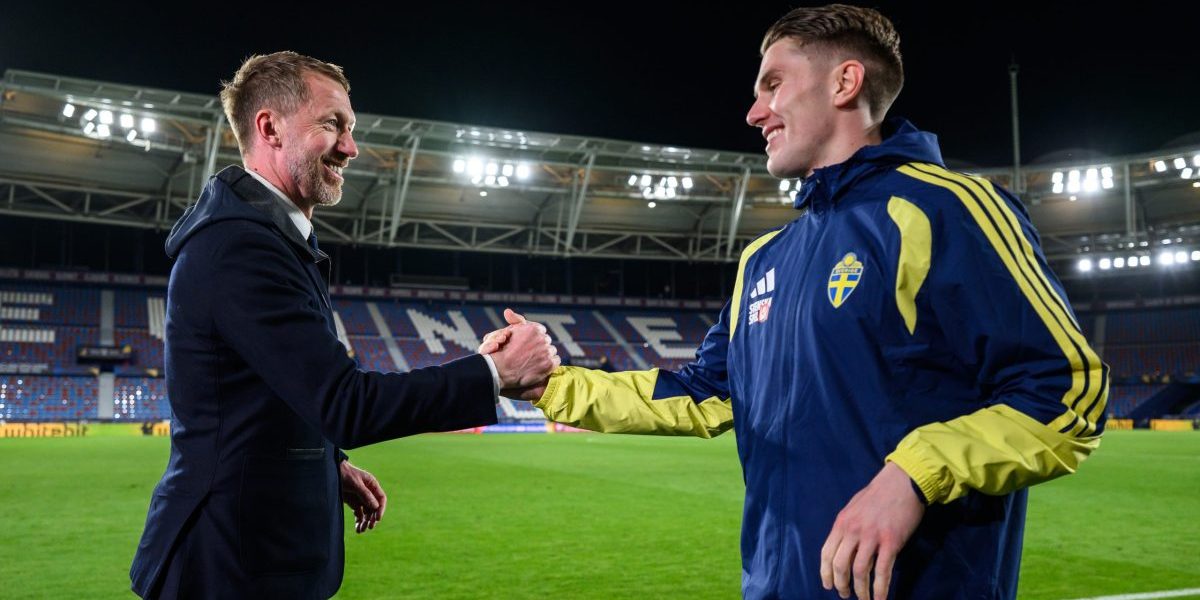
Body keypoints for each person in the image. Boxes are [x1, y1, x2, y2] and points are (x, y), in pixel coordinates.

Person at [484, 5, 1108, 599]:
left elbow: (1065, 392)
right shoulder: (765, 257)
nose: (755, 112)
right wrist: (550, 386)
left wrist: (911, 476)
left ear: (844, 82)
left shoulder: (944, 210)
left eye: (773, 84)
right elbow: (704, 393)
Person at [129, 51, 559, 599]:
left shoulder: (266, 238)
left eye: (350, 128)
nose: (351, 148)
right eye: (332, 124)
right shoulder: (239, 248)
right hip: (226, 566)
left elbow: (269, 392)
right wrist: (493, 373)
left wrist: (326, 463)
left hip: (249, 556)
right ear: (270, 128)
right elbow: (344, 402)